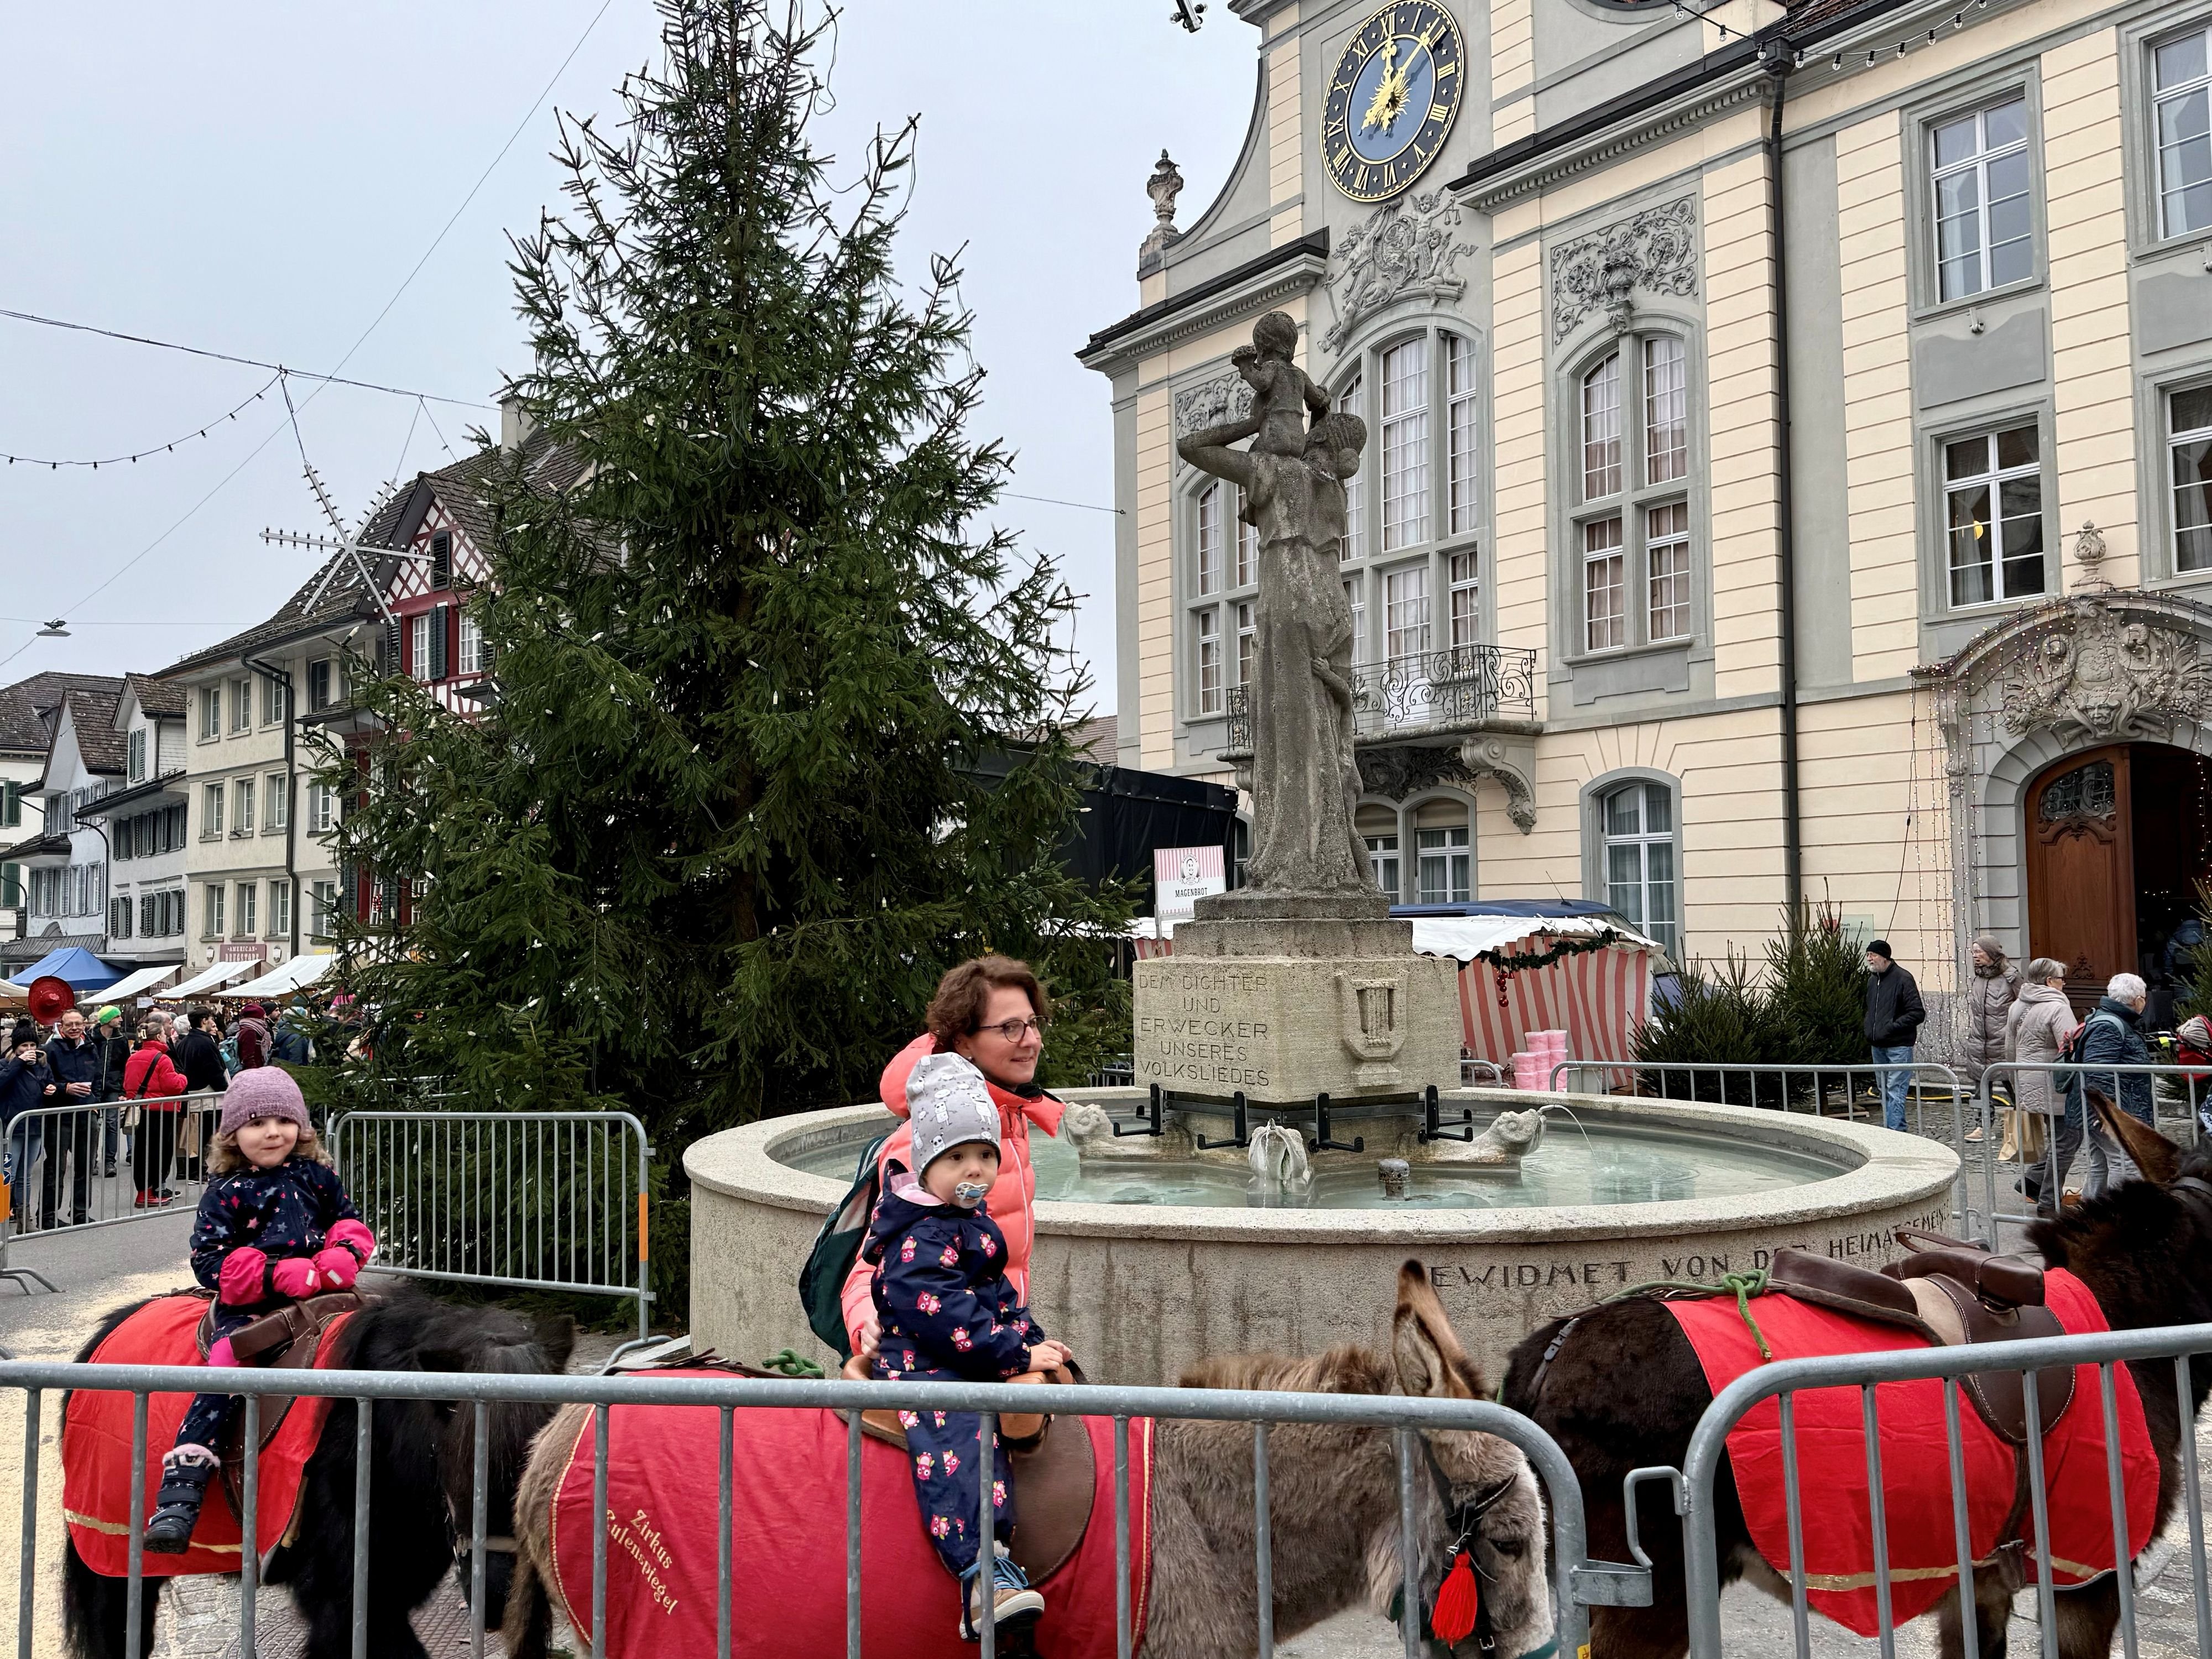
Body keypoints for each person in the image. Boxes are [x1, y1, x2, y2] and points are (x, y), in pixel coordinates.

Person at [864, 1052, 1069, 1641]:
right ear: (927, 1166)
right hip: (926, 1363)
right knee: (959, 1437)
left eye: (983, 1155)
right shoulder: (918, 1239)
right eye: (955, 1158)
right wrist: (1013, 1355)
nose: (973, 1169)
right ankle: (982, 1573)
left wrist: (1029, 1338)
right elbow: (948, 1318)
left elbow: (997, 1295)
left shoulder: (970, 1225)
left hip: (966, 1349)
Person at [143, 1068, 375, 1552]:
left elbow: (348, 1221)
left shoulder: (317, 1176)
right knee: (231, 1359)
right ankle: (184, 1483)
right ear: (232, 1134)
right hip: (253, 1302)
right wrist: (271, 1275)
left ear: (301, 1127)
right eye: (257, 1123)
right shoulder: (225, 1192)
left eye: (283, 1121)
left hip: (320, 1290)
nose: (273, 1132)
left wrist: (343, 1256)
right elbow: (208, 1262)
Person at [840, 957, 1067, 1364]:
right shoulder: (936, 1138)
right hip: (944, 1364)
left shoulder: (1008, 1119)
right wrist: (870, 1321)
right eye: (1010, 1028)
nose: (1032, 1041)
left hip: (996, 1346)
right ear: (963, 1042)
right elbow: (875, 1261)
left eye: (1033, 1023)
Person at [2073, 972, 2156, 1196]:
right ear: (2138, 1000)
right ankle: (2122, 1218)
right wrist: (2106, 1114)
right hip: (2111, 1112)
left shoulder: (2113, 1020)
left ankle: (2091, 1218)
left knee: (2101, 1163)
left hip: (2107, 1109)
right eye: (2144, 997)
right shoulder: (2109, 1025)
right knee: (2126, 1161)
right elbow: (2098, 1072)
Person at [2006, 958, 2078, 1215]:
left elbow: (2010, 1048)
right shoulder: (2057, 1007)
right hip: (2055, 1083)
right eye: (2061, 979)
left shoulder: (2018, 1005)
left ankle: (2033, 1182)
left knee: (2060, 1138)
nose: (2064, 984)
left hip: (2028, 1080)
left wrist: (2017, 1082)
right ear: (2050, 982)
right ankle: (2049, 1202)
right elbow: (2069, 1047)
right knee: (2068, 1140)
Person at [41, 1006, 102, 1227]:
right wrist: (64, 1088)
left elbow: (96, 1077)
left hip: (87, 1113)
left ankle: (80, 1213)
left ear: (84, 1024)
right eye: (70, 1025)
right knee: (56, 1168)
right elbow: (42, 1082)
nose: (75, 1028)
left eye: (79, 1024)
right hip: (60, 1116)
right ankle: (47, 1216)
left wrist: (96, 1103)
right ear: (62, 1027)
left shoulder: (90, 1047)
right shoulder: (50, 1050)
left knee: (85, 1166)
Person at [1959, 934, 2020, 1149]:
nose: (1975, 956)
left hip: (2004, 1045)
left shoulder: (2012, 977)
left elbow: (2025, 1008)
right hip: (1979, 1044)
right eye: (1973, 952)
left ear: (1992, 954)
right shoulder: (1979, 978)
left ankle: (2028, 1125)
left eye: (1979, 952)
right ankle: (1983, 1127)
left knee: (2014, 1088)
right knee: (1981, 1088)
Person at [123, 1012, 189, 1209]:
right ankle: (151, 1192)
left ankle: (144, 1192)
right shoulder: (163, 1058)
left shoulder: (135, 1057)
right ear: (159, 1036)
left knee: (144, 1151)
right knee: (160, 1152)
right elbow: (173, 1086)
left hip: (143, 1107)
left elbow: (128, 1084)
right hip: (163, 1109)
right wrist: (184, 1078)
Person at [1862, 940, 1926, 1133]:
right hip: (1878, 1045)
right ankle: (1893, 1129)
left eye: (1873, 955)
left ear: (1885, 957)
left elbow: (1917, 1013)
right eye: (1868, 955)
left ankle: (1895, 1131)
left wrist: (1891, 1027)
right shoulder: (1873, 980)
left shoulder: (1903, 978)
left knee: (1895, 1090)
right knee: (1884, 1090)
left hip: (1899, 1045)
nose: (1869, 959)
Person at [1, 1020, 58, 1228]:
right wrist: (18, 1062)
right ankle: (3, 1216)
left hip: (34, 1126)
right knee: (8, 1174)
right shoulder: (6, 1064)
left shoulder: (42, 1064)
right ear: (16, 1048)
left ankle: (25, 1219)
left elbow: (48, 1083)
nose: (30, 1050)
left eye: (33, 1045)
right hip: (12, 1126)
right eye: (25, 1046)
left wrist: (51, 1089)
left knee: (25, 1176)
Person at [170, 1007, 227, 1183]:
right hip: (207, 1095)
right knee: (205, 1135)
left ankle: (189, 1170)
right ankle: (198, 1171)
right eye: (211, 1019)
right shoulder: (205, 1042)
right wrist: (226, 1089)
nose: (214, 1022)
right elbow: (214, 1071)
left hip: (192, 1093)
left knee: (193, 1134)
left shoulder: (185, 1041)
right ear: (204, 1021)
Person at [91, 1005, 131, 1177]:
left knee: (112, 1124)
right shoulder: (91, 1037)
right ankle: (92, 1160)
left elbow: (126, 1064)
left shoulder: (121, 1039)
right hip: (93, 1086)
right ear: (107, 1019)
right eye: (117, 1017)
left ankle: (110, 1162)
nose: (120, 1020)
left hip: (113, 1087)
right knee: (93, 1125)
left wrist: (123, 1087)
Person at [234, 1003, 272, 1071]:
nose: (265, 1021)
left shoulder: (254, 1031)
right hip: (252, 1073)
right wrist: (255, 1073)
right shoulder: (250, 1032)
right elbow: (248, 1058)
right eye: (263, 1017)